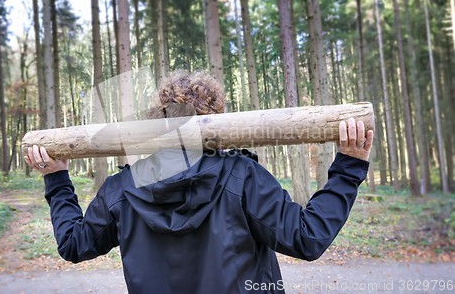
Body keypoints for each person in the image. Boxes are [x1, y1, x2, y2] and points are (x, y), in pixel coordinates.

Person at [24, 73, 373, 294]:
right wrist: (349, 166)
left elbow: (72, 244)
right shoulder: (241, 176)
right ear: (217, 123)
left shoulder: (122, 190)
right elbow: (308, 238)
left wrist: (56, 178)